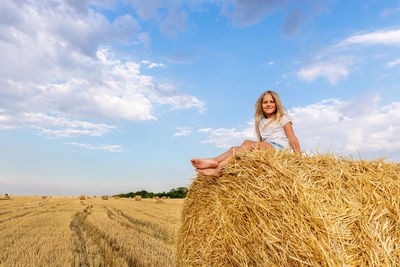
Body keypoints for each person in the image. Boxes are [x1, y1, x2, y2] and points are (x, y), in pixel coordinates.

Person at [191, 90, 300, 177]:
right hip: (269, 149)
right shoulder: (260, 121)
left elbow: (292, 138)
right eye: (265, 102)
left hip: (280, 149)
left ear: (276, 104)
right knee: (234, 149)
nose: (268, 104)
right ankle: (215, 161)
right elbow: (262, 142)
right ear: (261, 105)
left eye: (272, 102)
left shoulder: (283, 118)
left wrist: (298, 159)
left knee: (248, 143)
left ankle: (219, 170)